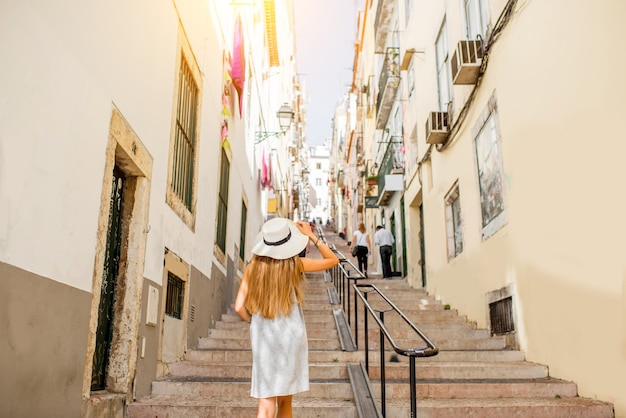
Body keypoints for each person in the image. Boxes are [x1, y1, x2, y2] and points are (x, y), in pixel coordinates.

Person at [234, 218, 339, 418]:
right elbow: (332, 260)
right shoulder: (295, 264)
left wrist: (253, 321)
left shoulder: (252, 267)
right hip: (291, 335)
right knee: (285, 399)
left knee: (265, 402)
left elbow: (239, 306)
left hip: (263, 336)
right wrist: (311, 236)